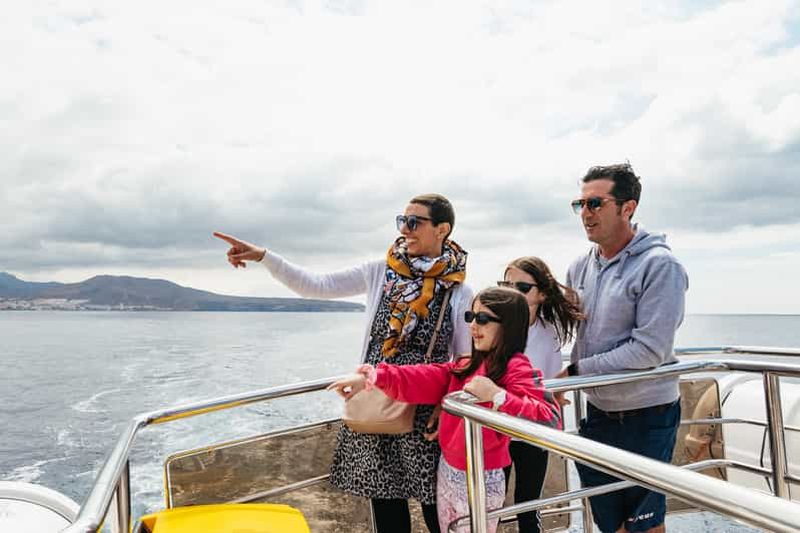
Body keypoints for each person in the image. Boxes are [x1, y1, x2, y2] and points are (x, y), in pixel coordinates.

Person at [214, 194, 473, 533]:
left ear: (442, 229)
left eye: (414, 222)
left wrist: (446, 404)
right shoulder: (380, 271)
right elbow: (316, 285)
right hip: (375, 400)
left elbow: (464, 359)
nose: (404, 230)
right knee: (386, 510)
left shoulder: (459, 290)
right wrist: (265, 256)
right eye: (402, 221)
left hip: (426, 413)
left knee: (437, 510)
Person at [329, 287, 562, 533]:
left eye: (483, 319)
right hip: (448, 473)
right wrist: (371, 378)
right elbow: (419, 376)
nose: (473, 326)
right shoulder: (465, 365)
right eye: (470, 317)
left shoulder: (514, 367)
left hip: (482, 478)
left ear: (509, 325)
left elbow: (549, 416)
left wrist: (496, 396)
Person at [558, 163, 689, 533]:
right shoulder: (579, 267)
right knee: (609, 521)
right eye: (580, 204)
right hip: (600, 412)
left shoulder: (660, 266)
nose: (585, 213)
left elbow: (649, 349)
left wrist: (576, 373)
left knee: (643, 525)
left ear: (627, 207)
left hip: (648, 415)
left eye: (595, 203)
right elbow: (565, 328)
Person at [498, 256, 582, 532]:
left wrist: (557, 398)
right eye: (506, 285)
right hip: (495, 431)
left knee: (528, 506)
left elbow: (550, 383)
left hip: (532, 431)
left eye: (521, 287)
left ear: (542, 294)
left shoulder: (548, 335)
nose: (512, 293)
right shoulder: (492, 327)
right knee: (491, 507)